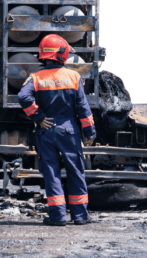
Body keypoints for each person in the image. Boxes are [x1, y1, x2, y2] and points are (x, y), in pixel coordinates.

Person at [18, 34, 96, 226]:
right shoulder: (73, 77)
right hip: (69, 130)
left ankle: (57, 217)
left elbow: (23, 97)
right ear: (63, 55)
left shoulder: (35, 78)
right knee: (76, 171)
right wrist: (90, 132)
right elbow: (83, 108)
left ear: (44, 54)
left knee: (51, 173)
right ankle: (80, 216)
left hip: (46, 131)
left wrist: (39, 117)